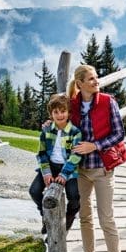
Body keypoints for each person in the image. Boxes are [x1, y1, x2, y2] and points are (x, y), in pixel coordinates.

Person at [68, 64, 126, 252]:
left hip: (103, 167)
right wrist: (49, 126)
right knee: (85, 217)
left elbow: (118, 133)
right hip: (81, 170)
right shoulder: (72, 105)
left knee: (107, 219)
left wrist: (94, 145)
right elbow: (62, 125)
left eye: (97, 78)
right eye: (92, 79)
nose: (97, 82)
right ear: (80, 84)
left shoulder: (107, 101)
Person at [28, 93, 82, 236]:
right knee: (34, 191)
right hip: (51, 166)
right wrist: (46, 173)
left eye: (63, 111)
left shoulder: (75, 132)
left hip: (68, 168)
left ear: (68, 113)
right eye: (56, 112)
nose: (59, 115)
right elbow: (41, 153)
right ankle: (46, 216)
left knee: (75, 196)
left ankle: (68, 218)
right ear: (51, 114)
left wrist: (64, 174)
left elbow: (75, 156)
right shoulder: (46, 131)